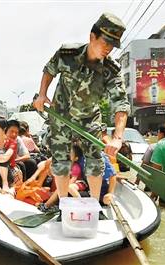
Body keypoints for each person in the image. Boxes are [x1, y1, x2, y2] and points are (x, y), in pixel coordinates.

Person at [33, 13, 130, 203]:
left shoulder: (111, 69)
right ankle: (63, 204)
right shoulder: (67, 54)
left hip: (89, 120)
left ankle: (94, 205)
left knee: (95, 161)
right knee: (61, 162)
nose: (108, 49)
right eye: (105, 42)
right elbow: (49, 70)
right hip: (61, 115)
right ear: (92, 36)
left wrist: (117, 138)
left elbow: (121, 103)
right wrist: (42, 94)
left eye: (112, 45)